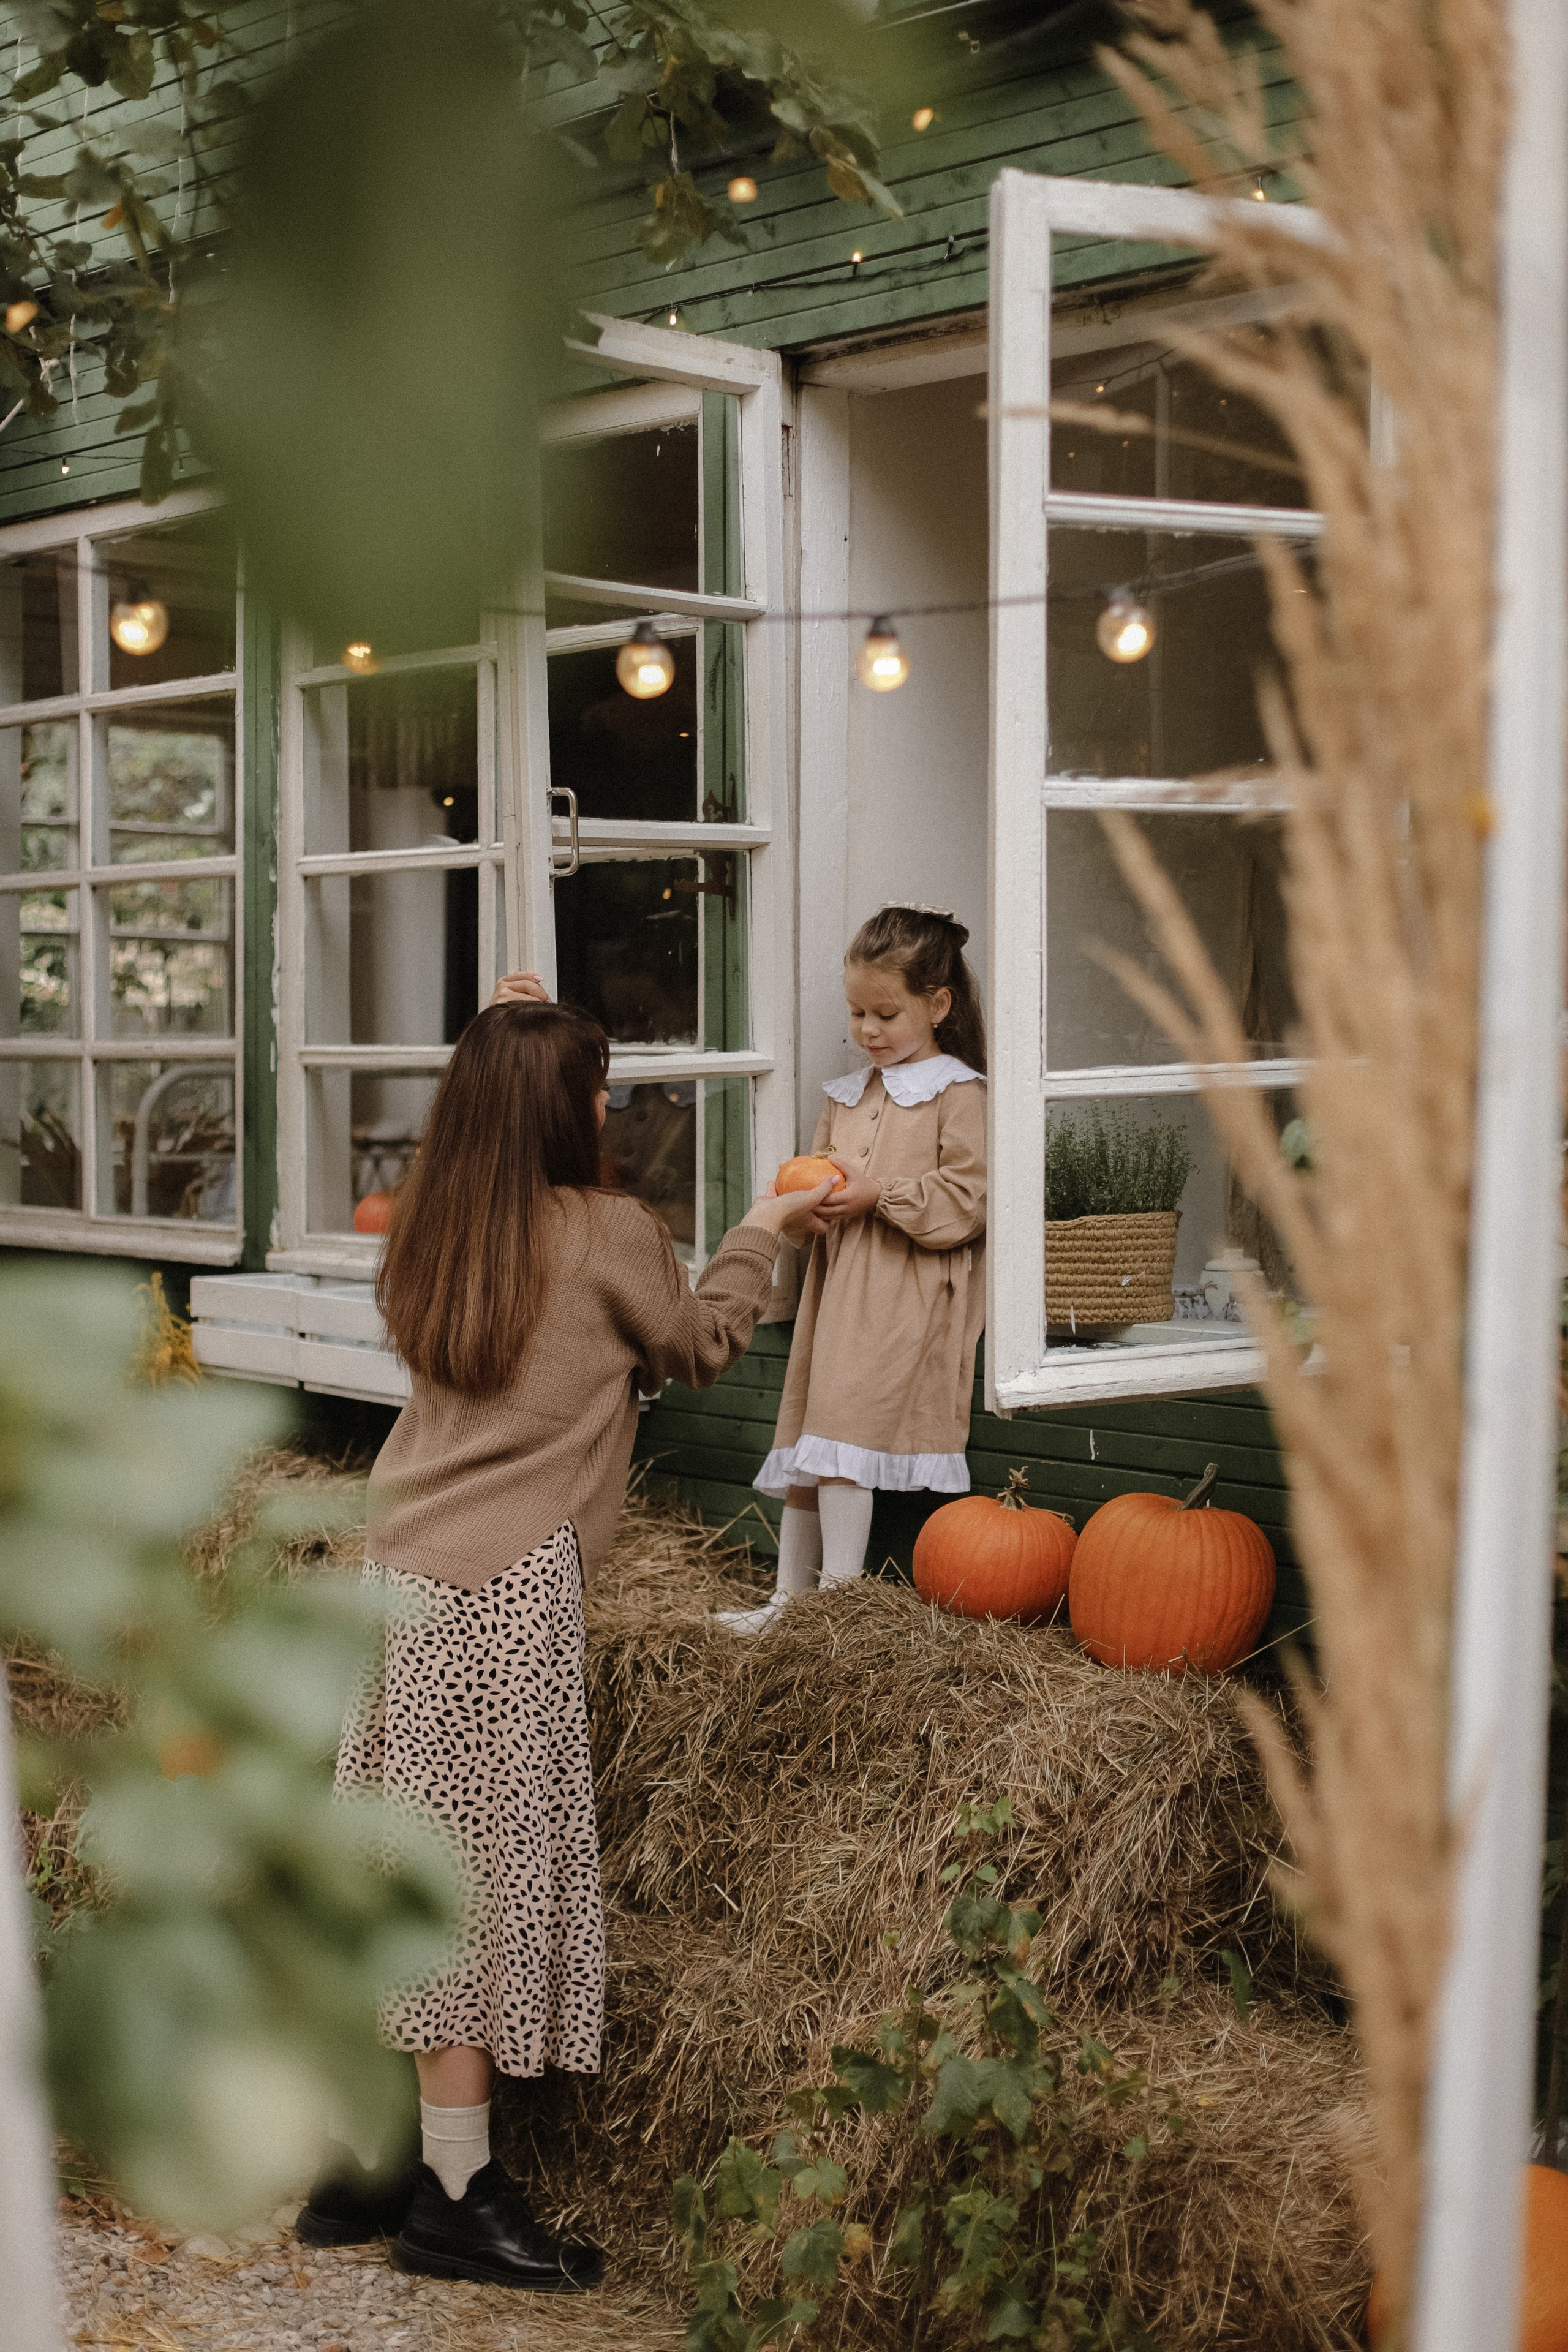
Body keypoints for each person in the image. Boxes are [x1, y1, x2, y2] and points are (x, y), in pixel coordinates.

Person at [296, 990, 831, 2285]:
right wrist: (769, 1224)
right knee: (468, 1897)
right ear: (557, 1109)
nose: (608, 1107)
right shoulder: (606, 1232)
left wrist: (509, 1023)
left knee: (396, 1870)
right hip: (501, 1592)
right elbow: (699, 1346)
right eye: (592, 1088)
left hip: (400, 1574)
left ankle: (359, 2160)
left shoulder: (431, 1225)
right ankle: (455, 2196)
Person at [718, 903, 987, 1637]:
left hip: (903, 1295)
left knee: (843, 1442)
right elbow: (814, 1213)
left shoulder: (958, 1093)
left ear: (937, 1004)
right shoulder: (848, 1095)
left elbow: (966, 1201)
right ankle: (787, 1604)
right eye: (856, 1012)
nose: (868, 1030)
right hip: (837, 1296)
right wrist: (797, 1210)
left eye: (885, 1013)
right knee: (812, 1440)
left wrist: (881, 1196)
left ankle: (835, 1612)